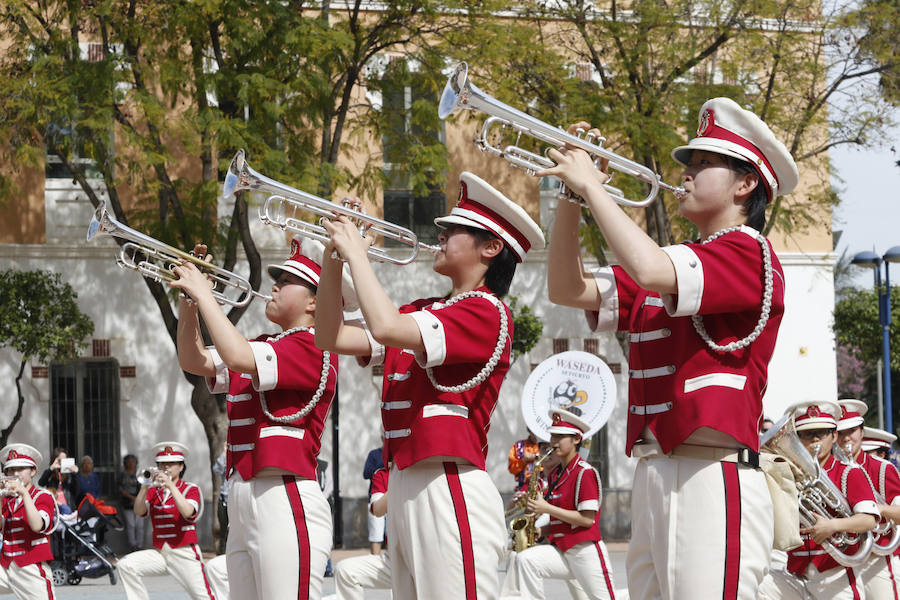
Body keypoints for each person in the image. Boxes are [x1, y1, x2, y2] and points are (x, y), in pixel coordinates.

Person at [545, 97, 799, 599]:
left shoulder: (749, 250)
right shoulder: (680, 261)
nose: (686, 174)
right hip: (654, 472)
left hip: (711, 472)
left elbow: (648, 269)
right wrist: (571, 199)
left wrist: (593, 185)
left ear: (745, 184)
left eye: (704, 164)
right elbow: (565, 289)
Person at [315, 172, 545, 599]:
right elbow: (329, 336)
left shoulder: (487, 311)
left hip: (447, 482)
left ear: (491, 247)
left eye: (453, 230)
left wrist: (356, 254)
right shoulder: (423, 311)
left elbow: (383, 325)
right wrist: (334, 257)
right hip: (406, 480)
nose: (440, 235)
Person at [173, 238, 337, 600]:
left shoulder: (312, 345)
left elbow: (233, 353)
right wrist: (189, 302)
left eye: (288, 280)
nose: (274, 285)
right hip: (246, 493)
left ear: (314, 301)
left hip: (284, 492)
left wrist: (206, 295)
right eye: (276, 279)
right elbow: (193, 360)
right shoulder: (265, 347)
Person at [758, 403, 878, 599]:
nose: (815, 439)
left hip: (835, 576)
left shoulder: (849, 472)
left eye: (821, 433)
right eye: (807, 433)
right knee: (756, 585)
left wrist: (833, 525)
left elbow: (869, 520)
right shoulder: (788, 477)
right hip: (794, 573)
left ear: (834, 436)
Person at [510, 409, 616, 600]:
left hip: (584, 550)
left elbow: (587, 520)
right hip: (562, 549)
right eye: (552, 436)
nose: (553, 442)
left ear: (576, 439)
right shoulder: (556, 474)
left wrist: (546, 508)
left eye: (560, 436)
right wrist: (542, 531)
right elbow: (563, 519)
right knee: (525, 560)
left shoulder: (585, 472)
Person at [116, 442, 215, 600]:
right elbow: (139, 511)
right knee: (125, 565)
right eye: (162, 464)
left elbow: (188, 512)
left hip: (184, 552)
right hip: (161, 551)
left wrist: (171, 486)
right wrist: (144, 486)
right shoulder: (154, 491)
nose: (166, 467)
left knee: (203, 596)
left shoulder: (190, 489)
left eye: (171, 464)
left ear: (181, 467)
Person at [836, 399, 900, 598]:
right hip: (842, 560)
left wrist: (879, 510)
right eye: (841, 433)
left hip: (877, 561)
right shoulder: (830, 469)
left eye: (852, 431)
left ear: (862, 432)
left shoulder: (882, 468)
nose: (847, 438)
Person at [0, 443, 58, 599]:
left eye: (20, 469)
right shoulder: (6, 500)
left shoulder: (43, 496)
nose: (15, 474)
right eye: (11, 470)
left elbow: (37, 525)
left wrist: (24, 493)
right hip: (5, 564)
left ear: (33, 471)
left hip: (30, 566)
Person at [333, 464, 392, 599]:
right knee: (344, 571)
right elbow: (377, 509)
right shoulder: (384, 473)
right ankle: (376, 554)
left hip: (431, 560)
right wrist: (399, 480)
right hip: (397, 560)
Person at [38, 446, 78, 515]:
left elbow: (76, 489)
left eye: (64, 460)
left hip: (67, 506)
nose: (62, 462)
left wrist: (75, 474)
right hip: (54, 507)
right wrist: (51, 469)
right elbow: (41, 483)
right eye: (60, 460)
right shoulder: (50, 472)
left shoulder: (70, 474)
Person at [119, 453, 145, 552]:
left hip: (139, 502)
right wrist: (131, 498)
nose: (131, 464)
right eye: (128, 462)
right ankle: (133, 545)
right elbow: (120, 489)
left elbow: (143, 488)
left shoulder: (139, 475)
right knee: (131, 525)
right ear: (125, 463)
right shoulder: (122, 475)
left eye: (133, 462)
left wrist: (136, 499)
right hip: (127, 503)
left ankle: (140, 545)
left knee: (140, 525)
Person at [362, 446, 385, 555]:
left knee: (393, 535)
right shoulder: (374, 454)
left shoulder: (399, 452)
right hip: (377, 494)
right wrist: (382, 466)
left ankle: (391, 564)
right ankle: (375, 562)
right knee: (376, 533)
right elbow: (366, 473)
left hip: (395, 494)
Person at [211, 444, 230, 556]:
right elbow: (217, 469)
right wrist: (224, 453)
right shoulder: (226, 459)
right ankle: (222, 555)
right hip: (224, 499)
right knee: (223, 532)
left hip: (235, 500)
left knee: (234, 532)